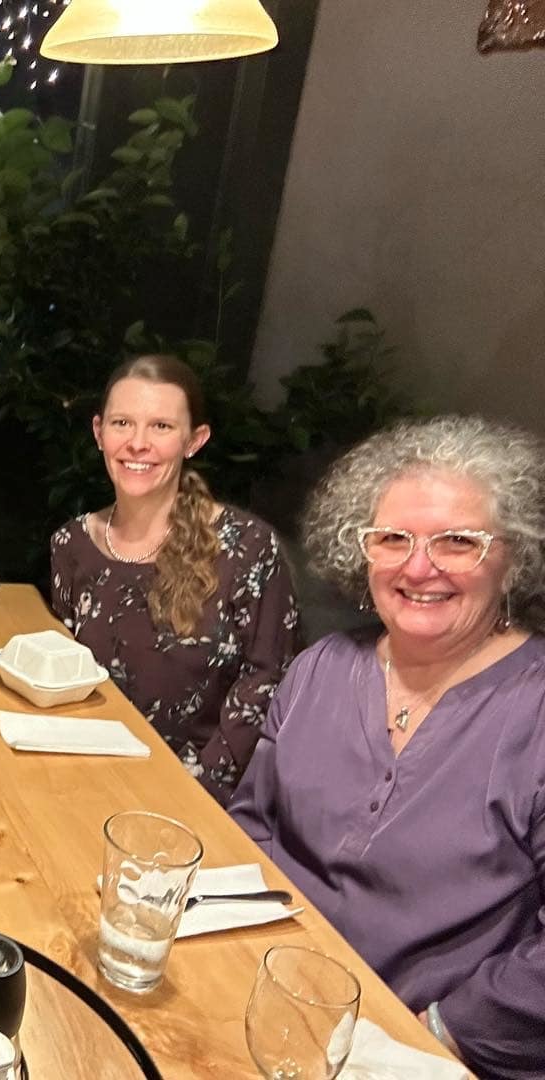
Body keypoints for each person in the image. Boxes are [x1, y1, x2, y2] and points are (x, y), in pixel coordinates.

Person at [231, 415, 545, 1077]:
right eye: (392, 538)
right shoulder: (321, 668)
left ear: (513, 553)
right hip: (267, 995)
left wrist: (440, 1031)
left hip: (420, 1048)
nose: (419, 566)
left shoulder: (535, 709)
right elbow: (251, 828)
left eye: (458, 541)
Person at [48, 355, 298, 803]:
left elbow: (266, 684)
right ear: (98, 432)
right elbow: (64, 678)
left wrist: (185, 793)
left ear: (194, 440)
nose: (138, 443)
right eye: (122, 423)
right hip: (84, 779)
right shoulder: (71, 545)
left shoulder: (248, 548)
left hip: (198, 801)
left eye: (161, 427)